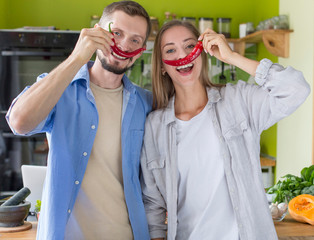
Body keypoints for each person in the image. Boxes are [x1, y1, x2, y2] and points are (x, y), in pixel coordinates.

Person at [140, 20, 310, 240]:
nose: (182, 54)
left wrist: (232, 57)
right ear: (162, 65)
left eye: (190, 46)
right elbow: (153, 204)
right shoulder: (155, 126)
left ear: (202, 52)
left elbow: (296, 89)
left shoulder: (238, 100)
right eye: (170, 50)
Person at [6, 1, 152, 239]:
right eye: (116, 34)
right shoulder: (58, 89)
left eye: (135, 40)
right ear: (97, 32)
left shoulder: (147, 103)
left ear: (141, 49)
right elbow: (19, 122)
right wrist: (77, 57)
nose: (124, 45)